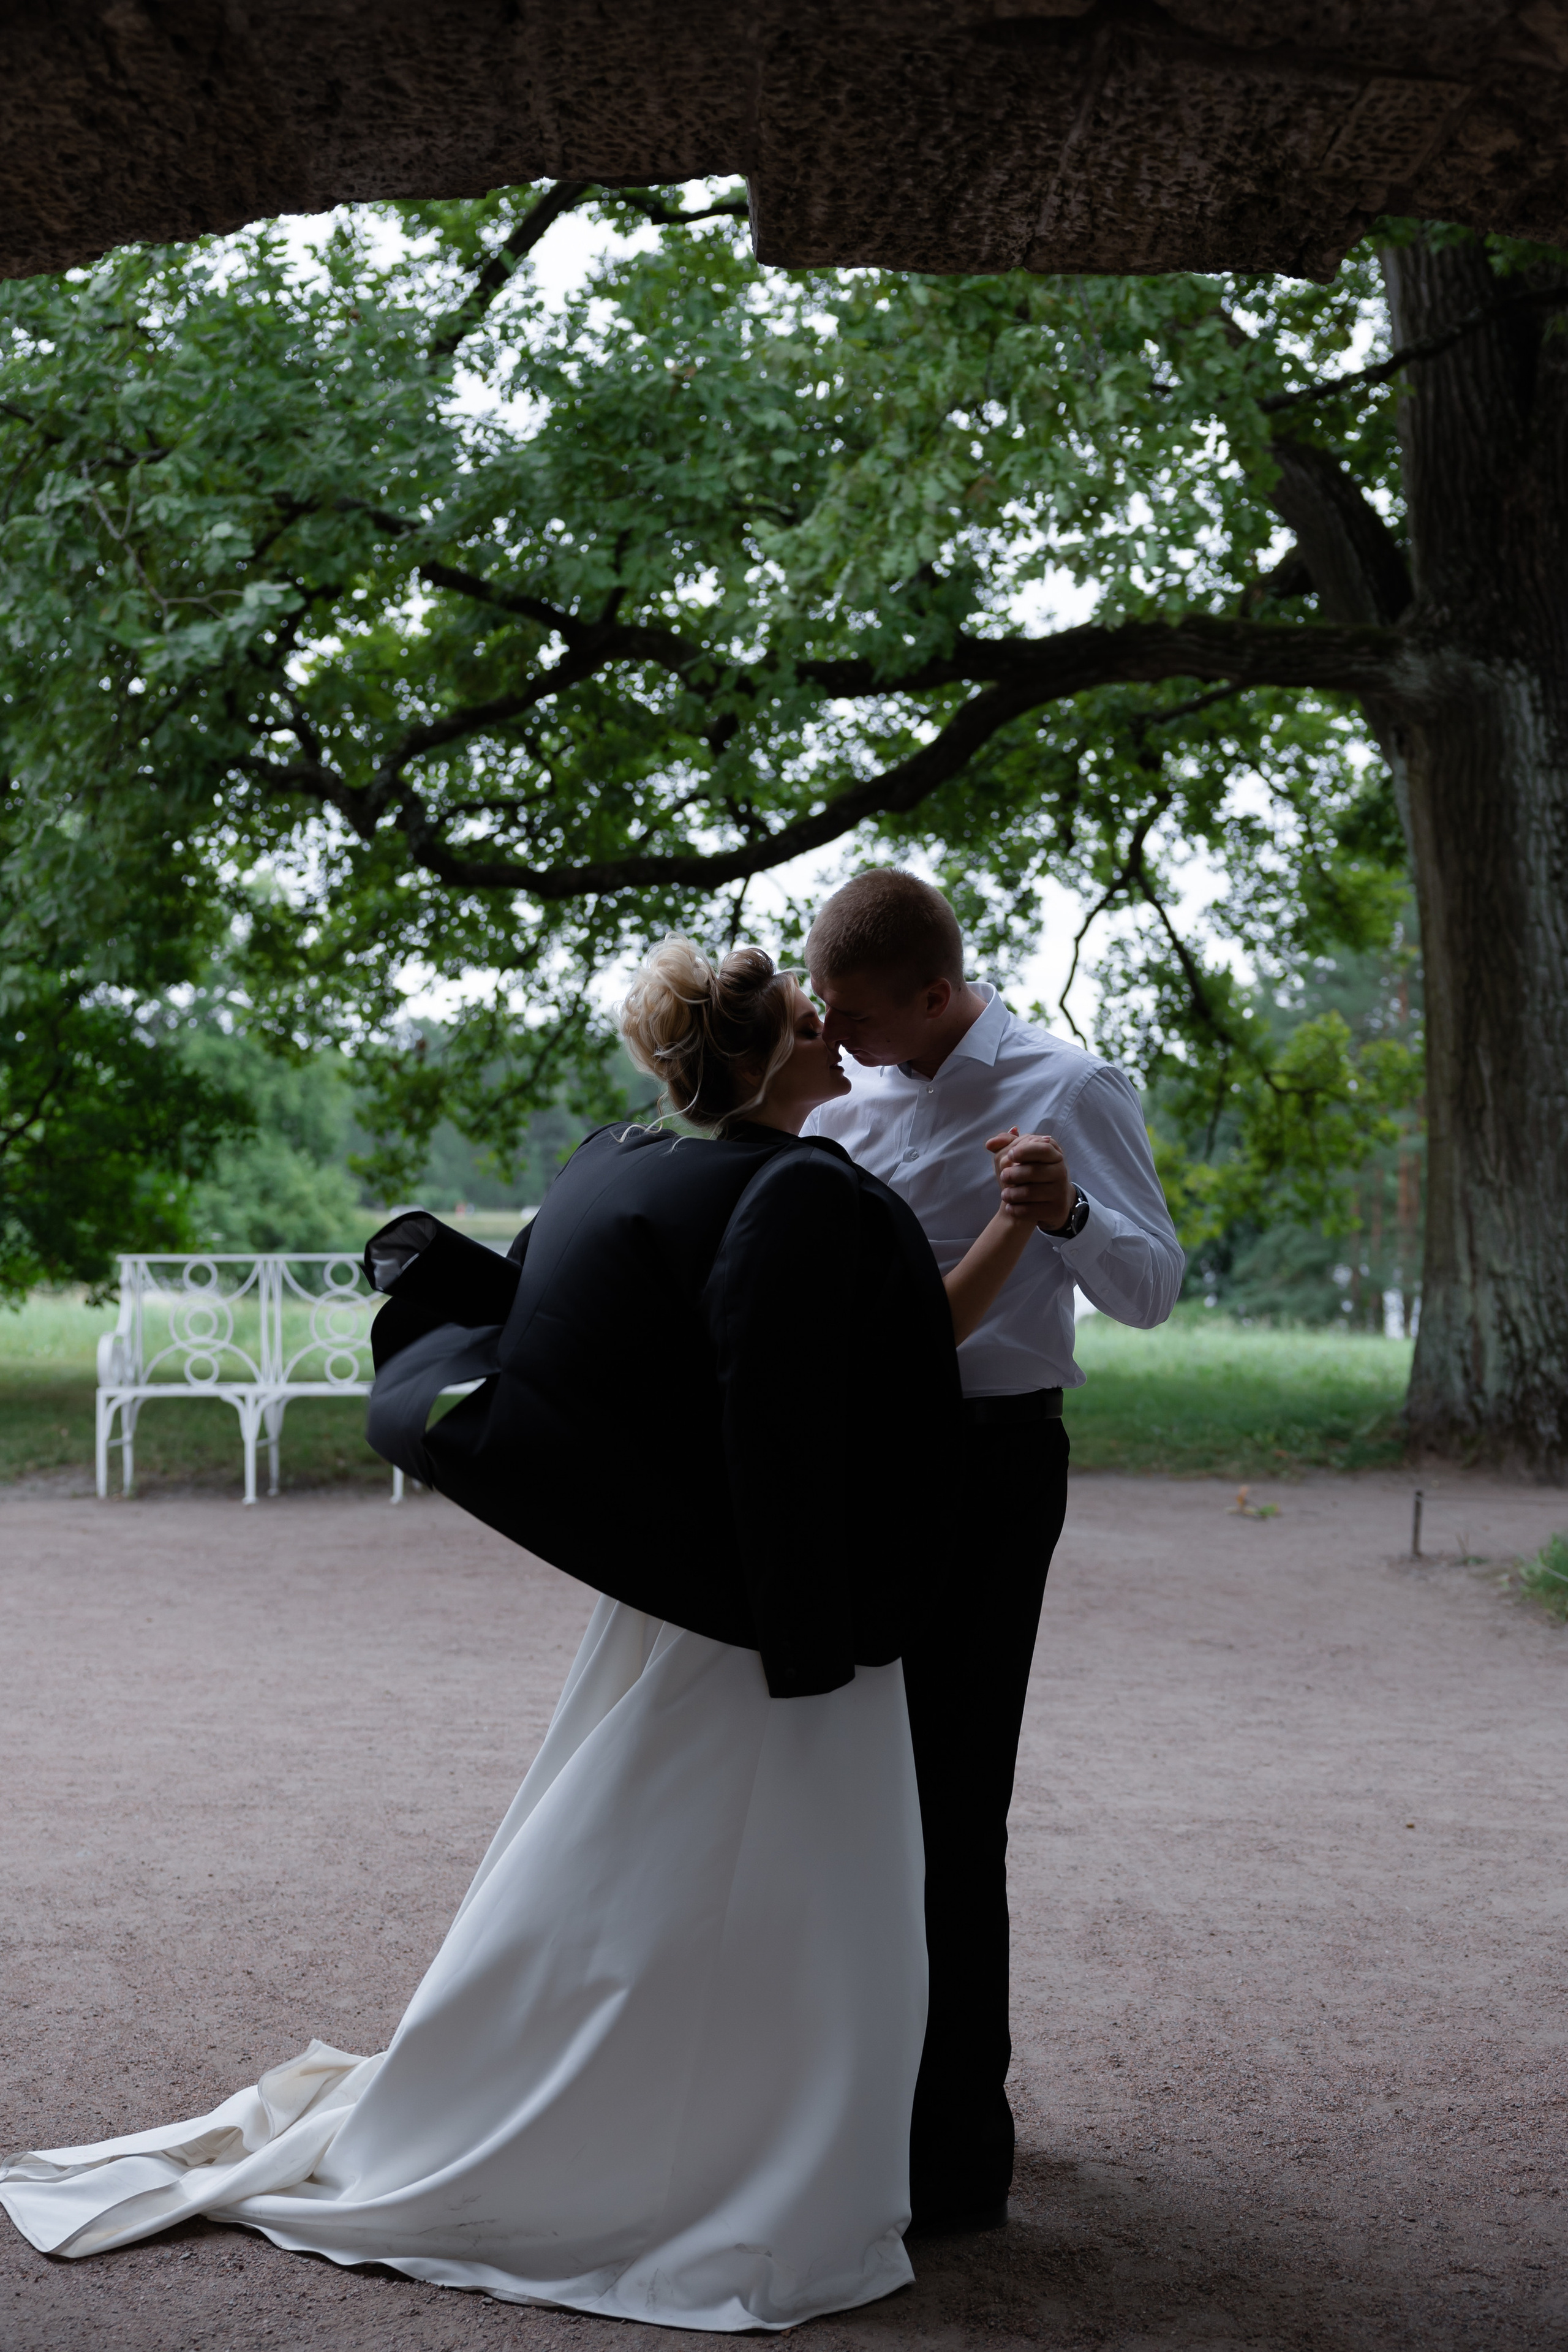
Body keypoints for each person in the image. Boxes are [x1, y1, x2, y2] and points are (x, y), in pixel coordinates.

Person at [1, 941, 1038, 2332]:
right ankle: (735, 2156)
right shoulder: (796, 1192)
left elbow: (571, 1329)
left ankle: (683, 2110)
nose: (833, 1031)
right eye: (812, 1019)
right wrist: (816, 1636)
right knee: (790, 1884)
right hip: (771, 1604)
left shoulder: (629, 1161)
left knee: (650, 1855)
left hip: (682, 1588)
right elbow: (788, 1421)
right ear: (772, 1050)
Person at [801, 869, 1184, 2234]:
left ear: (935, 992)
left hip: (989, 1464)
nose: (828, 1033)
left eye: (852, 1012)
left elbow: (1151, 1290)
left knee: (954, 1808)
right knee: (847, 1795)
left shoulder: (1069, 1086)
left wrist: (1068, 1215)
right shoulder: (838, 1098)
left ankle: (957, 2152)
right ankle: (847, 2109)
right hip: (853, 1467)